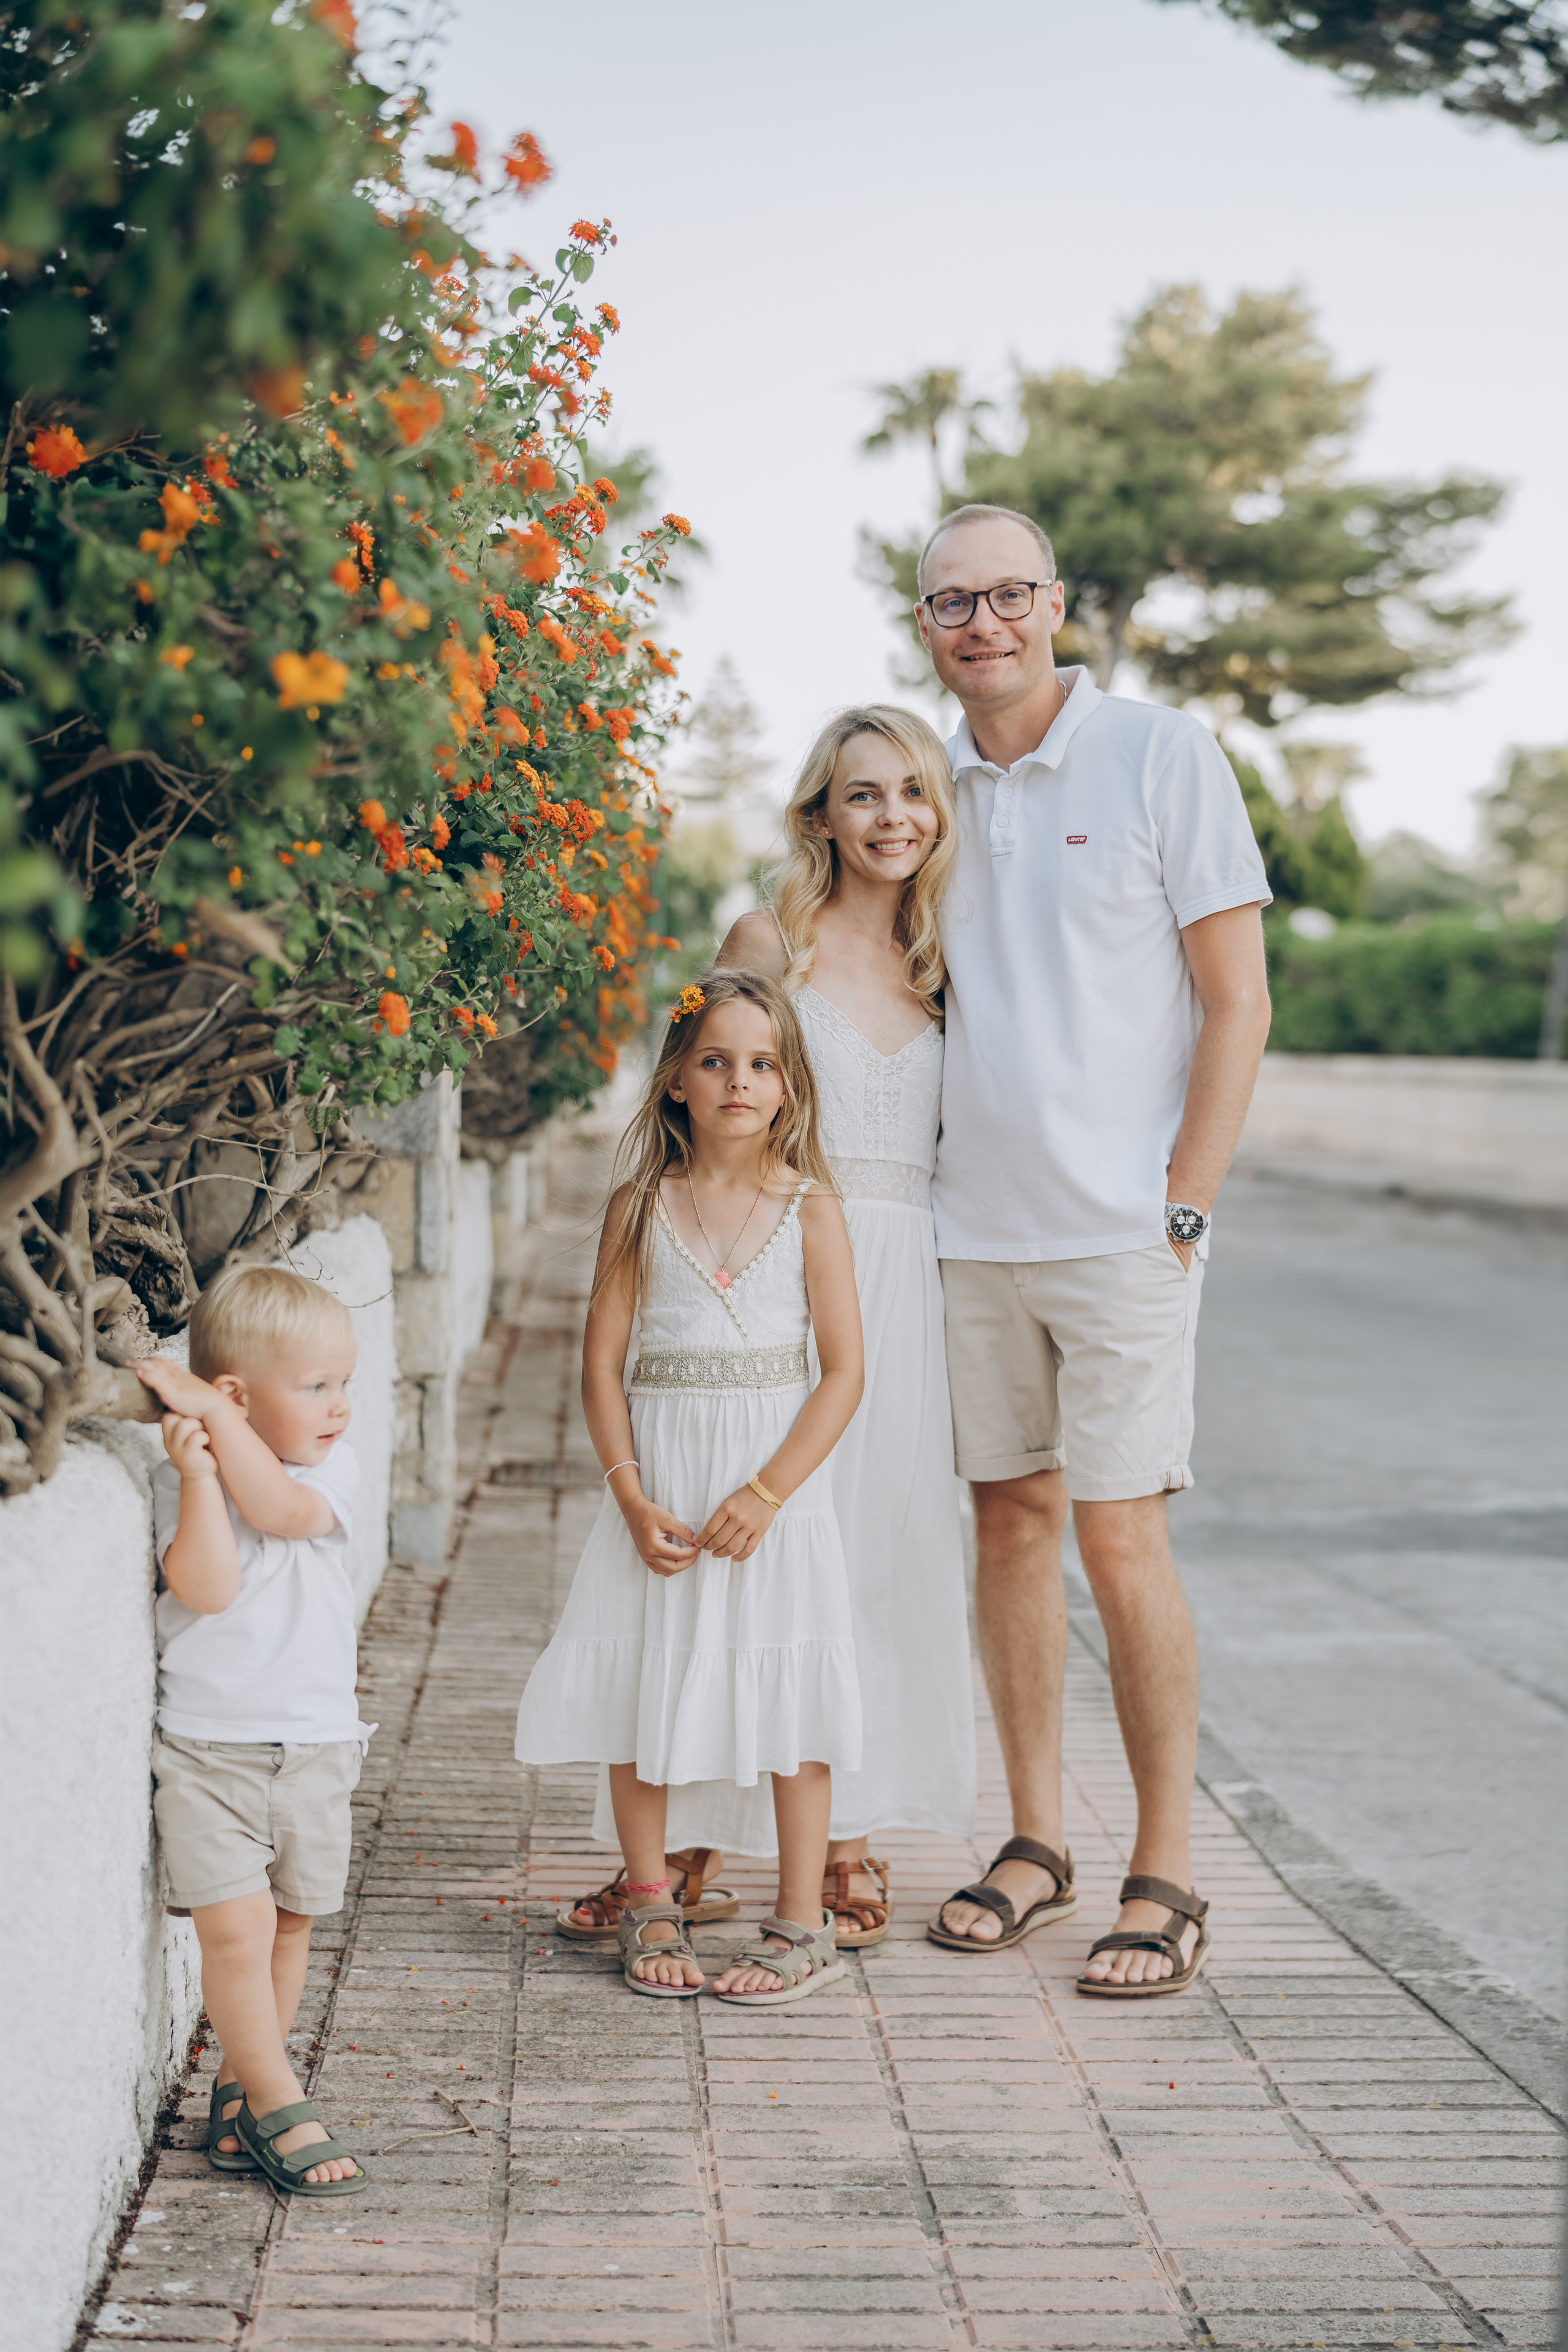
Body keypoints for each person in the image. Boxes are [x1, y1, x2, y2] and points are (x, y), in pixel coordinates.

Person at [918, 503, 1273, 1996]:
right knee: (1006, 1531)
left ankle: (1165, 1869)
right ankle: (1035, 1841)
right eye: (951, 604)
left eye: (1007, 595)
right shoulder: (919, 787)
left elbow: (1234, 1000)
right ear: (924, 625)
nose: (982, 624)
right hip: (965, 1235)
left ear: (1056, 603)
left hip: (1120, 1235)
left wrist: (1181, 1204)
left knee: (1121, 1541)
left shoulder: (1158, 755)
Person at [562, 704, 978, 1951]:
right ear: (819, 814)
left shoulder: (957, 956)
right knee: (741, 1533)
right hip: (774, 1257)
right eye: (862, 794)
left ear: (941, 816)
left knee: (871, 1550)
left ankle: (843, 1836)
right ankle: (685, 1835)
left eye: (914, 792)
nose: (890, 816)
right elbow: (704, 1085)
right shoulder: (766, 936)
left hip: (903, 1266)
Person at [515, 970, 865, 2003]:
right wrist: (628, 1495)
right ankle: (652, 1895)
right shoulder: (639, 1207)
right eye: (714, 1060)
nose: (738, 1081)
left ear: (790, 1088)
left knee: (789, 1692)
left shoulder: (812, 1210)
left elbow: (844, 1372)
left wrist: (768, 1493)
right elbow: (601, 1365)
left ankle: (802, 1921)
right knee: (648, 1687)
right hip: (663, 1492)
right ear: (675, 1080)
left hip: (771, 1501)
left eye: (762, 1064)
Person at [134, 1265, 371, 2193]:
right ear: (235, 1396)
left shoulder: (326, 1470)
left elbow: (281, 1511)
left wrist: (212, 1416)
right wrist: (198, 1470)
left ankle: (238, 2095)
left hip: (315, 1742)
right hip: (210, 1750)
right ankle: (280, 2098)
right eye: (317, 1386)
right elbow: (208, 1586)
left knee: (289, 1930)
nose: (340, 1405)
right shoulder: (176, 1476)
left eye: (344, 1382)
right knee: (236, 1934)